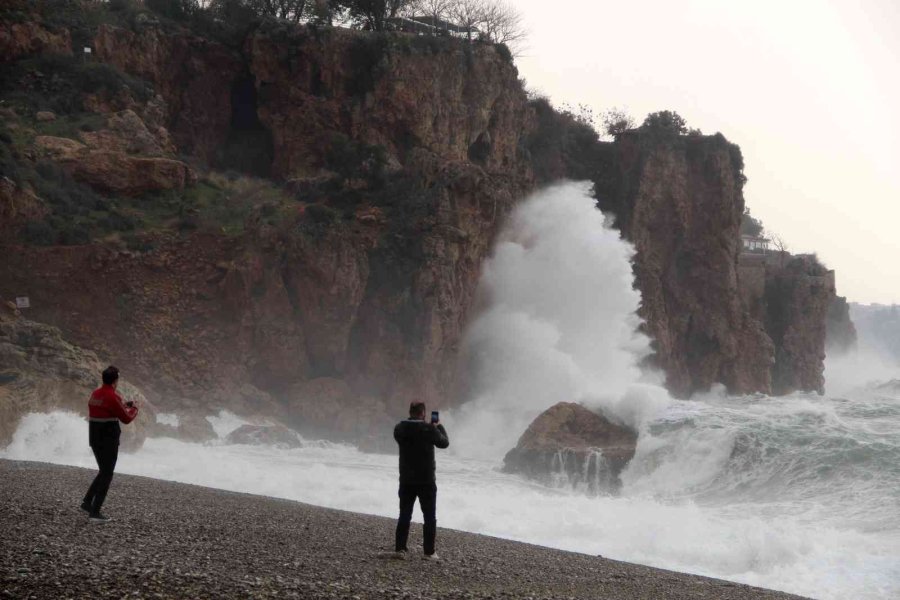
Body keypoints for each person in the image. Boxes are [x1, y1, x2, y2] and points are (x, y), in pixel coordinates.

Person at [81, 365, 138, 523]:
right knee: (107, 473)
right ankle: (95, 513)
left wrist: (123, 405)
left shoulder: (96, 394)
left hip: (94, 438)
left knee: (103, 470)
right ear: (115, 380)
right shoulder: (113, 396)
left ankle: (87, 502)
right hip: (108, 440)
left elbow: (105, 409)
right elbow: (126, 418)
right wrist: (134, 409)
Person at [393, 400, 449, 560]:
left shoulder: (399, 428)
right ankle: (429, 552)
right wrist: (438, 426)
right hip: (426, 480)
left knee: (404, 514)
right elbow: (444, 443)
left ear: (410, 411)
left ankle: (400, 549)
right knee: (429, 517)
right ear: (423, 413)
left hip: (406, 480)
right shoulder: (428, 429)